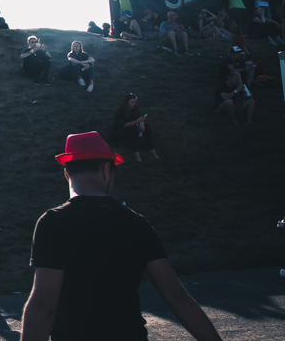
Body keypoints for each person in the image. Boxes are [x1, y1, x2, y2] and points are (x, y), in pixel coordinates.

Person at [21, 131, 223, 341]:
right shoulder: (136, 223)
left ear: (66, 174)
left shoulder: (53, 222)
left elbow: (43, 306)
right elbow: (176, 296)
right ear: (107, 170)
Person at [111, 93, 159, 161]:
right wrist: (136, 121)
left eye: (134, 102)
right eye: (131, 102)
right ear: (127, 102)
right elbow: (123, 125)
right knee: (130, 130)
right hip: (121, 132)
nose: (133, 104)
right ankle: (137, 153)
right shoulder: (120, 111)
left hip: (133, 127)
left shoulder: (135, 109)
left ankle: (152, 149)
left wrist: (141, 122)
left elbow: (138, 117)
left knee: (147, 127)